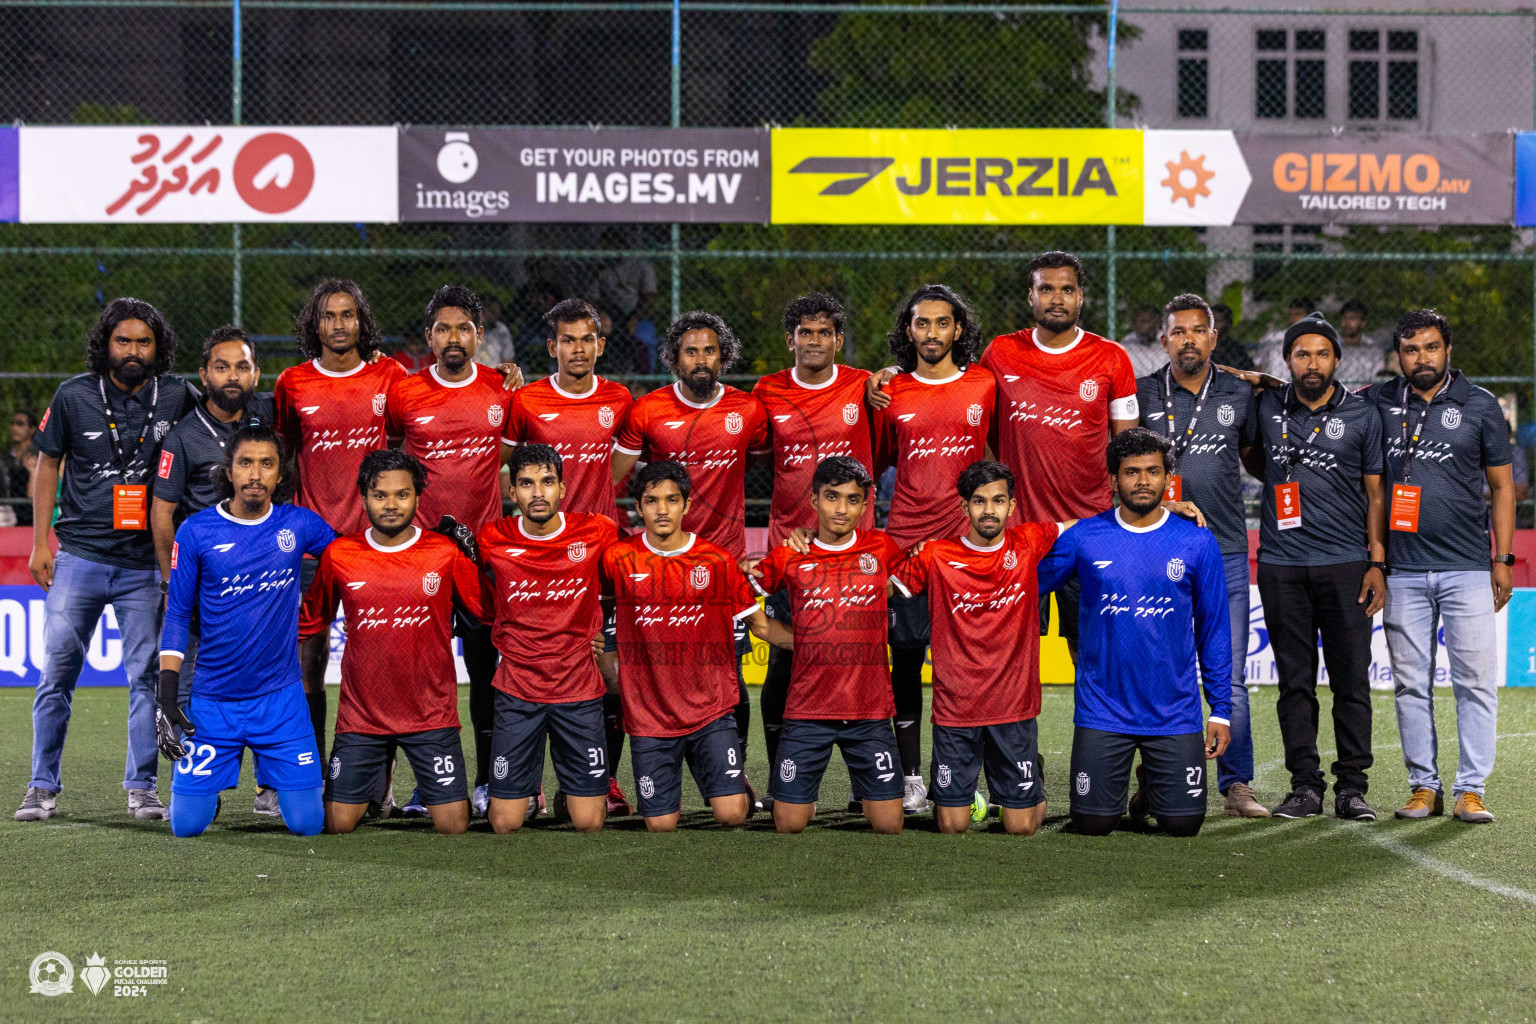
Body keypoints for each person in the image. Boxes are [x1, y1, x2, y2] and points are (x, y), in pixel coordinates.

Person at [16, 298, 198, 823]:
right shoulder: (73, 395)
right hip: (79, 556)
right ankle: (41, 785)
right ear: (107, 345)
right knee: (56, 676)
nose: (134, 350)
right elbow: (48, 464)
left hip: (145, 564)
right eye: (124, 341)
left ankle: (141, 787)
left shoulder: (179, 396)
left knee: (146, 677)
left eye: (144, 341)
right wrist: (39, 542)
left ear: (157, 347)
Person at [1037, 428, 1232, 838]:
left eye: (1152, 472)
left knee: (1183, 825)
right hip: (1102, 710)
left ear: (1167, 479)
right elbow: (1026, 581)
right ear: (1112, 480)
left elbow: (1213, 628)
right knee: (1092, 824)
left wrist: (1219, 710)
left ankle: (1150, 787)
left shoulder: (1196, 542)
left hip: (1173, 712)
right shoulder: (1085, 537)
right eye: (1131, 472)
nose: (1143, 481)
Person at [1361, 309, 1516, 824]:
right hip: (1402, 571)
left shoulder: (1481, 406)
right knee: (1410, 684)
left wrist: (1502, 558)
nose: (1420, 358)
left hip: (1469, 568)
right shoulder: (1381, 401)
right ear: (1398, 355)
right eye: (1410, 350)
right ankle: (1423, 786)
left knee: (1475, 682)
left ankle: (1470, 789)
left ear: (1448, 350)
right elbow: (1322, 400)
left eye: (1430, 347)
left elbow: (1502, 488)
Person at [611, 310, 770, 794]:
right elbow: (612, 478)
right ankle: (610, 783)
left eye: (709, 351)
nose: (700, 360)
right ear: (673, 358)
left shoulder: (748, 411)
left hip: (723, 566)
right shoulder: (646, 411)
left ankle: (732, 774)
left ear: (723, 357)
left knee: (730, 675)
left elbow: (773, 468)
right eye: (690, 351)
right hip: (657, 567)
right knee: (638, 671)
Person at [156, 425, 335, 837]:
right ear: (230, 471)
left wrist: (427, 545)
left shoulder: (301, 525)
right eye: (246, 463)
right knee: (187, 826)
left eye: (266, 464)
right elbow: (179, 614)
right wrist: (167, 693)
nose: (255, 474)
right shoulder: (196, 531)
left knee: (308, 824)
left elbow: (356, 557)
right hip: (213, 702)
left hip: (282, 701)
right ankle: (209, 791)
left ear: (280, 474)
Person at [1242, 311, 1387, 821]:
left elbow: (1376, 495)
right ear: (1287, 360)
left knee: (1352, 682)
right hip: (1281, 565)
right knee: (1294, 683)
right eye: (1302, 353)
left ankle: (1352, 787)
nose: (1312, 362)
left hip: (1347, 563)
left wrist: (1376, 562)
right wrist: (1254, 380)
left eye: (1322, 353)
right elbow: (1252, 457)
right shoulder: (1265, 405)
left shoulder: (1363, 414)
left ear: (1337, 360)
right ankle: (1305, 785)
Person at [299, 449, 487, 835]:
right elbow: (310, 624)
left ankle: (391, 785)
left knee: (453, 827)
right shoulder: (339, 554)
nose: (391, 504)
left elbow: (488, 616)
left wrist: (480, 563)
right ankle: (376, 786)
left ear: (418, 497)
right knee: (336, 825)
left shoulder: (444, 553)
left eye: (402, 494)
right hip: (361, 719)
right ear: (363, 497)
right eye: (379, 494)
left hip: (430, 717)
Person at [601, 461, 793, 832]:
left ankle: (726, 779)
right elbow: (597, 610)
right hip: (649, 718)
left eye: (672, 500)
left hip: (710, 713)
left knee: (732, 813)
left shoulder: (717, 561)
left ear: (686, 506)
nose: (661, 509)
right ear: (638, 507)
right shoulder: (618, 558)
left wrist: (821, 641)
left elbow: (762, 625)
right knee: (659, 825)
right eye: (651, 500)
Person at [1136, 294, 1268, 819]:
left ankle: (1236, 785)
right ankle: (1154, 783)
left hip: (1226, 551)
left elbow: (1261, 460)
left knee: (1228, 674)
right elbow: (1120, 465)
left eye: (1198, 331)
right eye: (1178, 331)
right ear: (1163, 339)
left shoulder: (1241, 392)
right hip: (1153, 550)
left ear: (1214, 339)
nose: (1188, 339)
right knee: (1157, 670)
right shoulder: (1143, 393)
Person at [973, 251, 1140, 662]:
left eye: (1067, 289)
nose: (1057, 298)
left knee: (1095, 658)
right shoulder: (1000, 353)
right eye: (1046, 288)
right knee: (1009, 658)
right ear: (1030, 296)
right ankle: (1010, 729)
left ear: (1081, 297)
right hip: (1018, 533)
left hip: (1089, 531)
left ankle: (1100, 730)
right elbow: (975, 424)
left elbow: (1130, 448)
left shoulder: (1111, 358)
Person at [385, 284, 514, 818]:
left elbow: (513, 456)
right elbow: (391, 457)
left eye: (464, 328)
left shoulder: (502, 390)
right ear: (429, 337)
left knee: (487, 673)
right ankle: (429, 784)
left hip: (482, 558)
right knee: (422, 676)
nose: (453, 338)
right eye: (443, 329)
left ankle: (489, 782)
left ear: (479, 336)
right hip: (422, 558)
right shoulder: (406, 393)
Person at [506, 297, 636, 814]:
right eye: (568, 340)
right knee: (530, 670)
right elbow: (504, 473)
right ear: (551, 346)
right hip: (536, 561)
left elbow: (618, 470)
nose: (578, 349)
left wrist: (588, 523)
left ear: (600, 345)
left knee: (610, 675)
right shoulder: (527, 401)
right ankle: (527, 784)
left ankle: (599, 781)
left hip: (597, 560)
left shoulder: (620, 399)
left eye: (587, 339)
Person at [892, 460, 1070, 835]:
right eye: (978, 501)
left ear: (1012, 505)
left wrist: (1162, 510)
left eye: (998, 500)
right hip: (956, 709)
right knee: (951, 826)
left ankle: (1029, 781)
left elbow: (1086, 528)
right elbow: (886, 582)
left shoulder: (1030, 539)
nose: (989, 510)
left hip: (1013, 707)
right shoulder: (936, 554)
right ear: (964, 507)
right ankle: (973, 791)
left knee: (1021, 827)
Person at [870, 284, 995, 812]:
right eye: (922, 324)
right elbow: (871, 465)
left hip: (965, 553)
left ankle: (981, 770)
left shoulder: (985, 385)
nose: (932, 334)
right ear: (908, 331)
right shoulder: (889, 392)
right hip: (904, 552)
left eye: (942, 323)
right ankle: (911, 777)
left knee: (968, 667)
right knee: (904, 667)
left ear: (959, 329)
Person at [274, 279, 406, 771]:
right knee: (307, 661)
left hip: (375, 546)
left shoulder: (389, 375)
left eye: (347, 315)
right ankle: (306, 767)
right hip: (310, 549)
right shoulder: (292, 382)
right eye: (328, 316)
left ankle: (377, 781)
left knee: (378, 665)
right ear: (315, 324)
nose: (338, 325)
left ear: (361, 321)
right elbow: (281, 460)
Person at [750, 292, 875, 794]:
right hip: (793, 550)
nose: (815, 341)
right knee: (786, 658)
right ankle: (784, 772)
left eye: (824, 332)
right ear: (790, 339)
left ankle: (869, 776)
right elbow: (758, 457)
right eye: (806, 332)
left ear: (838, 340)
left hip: (853, 553)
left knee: (859, 657)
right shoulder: (768, 390)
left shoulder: (864, 385)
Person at [747, 457, 908, 836]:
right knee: (788, 825)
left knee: (889, 825)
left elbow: (919, 576)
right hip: (807, 712)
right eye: (832, 497)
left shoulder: (881, 548)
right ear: (813, 499)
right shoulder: (791, 554)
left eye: (853, 500)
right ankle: (802, 797)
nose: (841, 509)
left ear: (865, 506)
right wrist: (794, 638)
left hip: (868, 713)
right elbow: (743, 591)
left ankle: (871, 791)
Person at [477, 444, 621, 835]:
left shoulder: (597, 531)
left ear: (563, 488)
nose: (537, 493)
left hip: (578, 688)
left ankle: (567, 793)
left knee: (589, 823)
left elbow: (633, 576)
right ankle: (530, 788)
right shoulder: (492, 538)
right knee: (504, 824)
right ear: (512, 493)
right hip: (517, 688)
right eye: (526, 484)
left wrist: (609, 638)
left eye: (546, 482)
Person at [150, 326, 273, 771]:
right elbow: (161, 513)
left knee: (268, 681)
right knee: (189, 682)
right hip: (205, 585)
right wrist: (172, 581)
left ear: (256, 373)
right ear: (204, 374)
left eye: (242, 367)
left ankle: (269, 784)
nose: (232, 376)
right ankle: (195, 775)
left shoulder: (269, 417)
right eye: (222, 367)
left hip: (264, 583)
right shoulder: (183, 437)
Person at [1335, 299, 1391, 387]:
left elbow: (1377, 379)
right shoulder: (1332, 346)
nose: (1347, 323)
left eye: (1352, 319)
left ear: (1363, 323)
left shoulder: (1373, 349)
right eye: (1345, 318)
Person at [1257, 297, 1314, 378]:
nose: (1293, 319)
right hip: (1276, 383)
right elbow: (1257, 362)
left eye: (1298, 314)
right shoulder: (1274, 338)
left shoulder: (1318, 340)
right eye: (1291, 315)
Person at [1, 409, 37, 526]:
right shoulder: (4, 458)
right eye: (13, 423)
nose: (15, 428)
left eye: (20, 424)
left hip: (32, 514)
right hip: (8, 513)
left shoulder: (39, 456)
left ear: (32, 429)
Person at [1118, 304, 1165, 376]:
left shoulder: (1169, 343)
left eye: (1147, 321)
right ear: (1134, 325)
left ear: (1156, 324)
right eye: (1141, 321)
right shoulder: (1126, 345)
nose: (1143, 326)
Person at [1209, 304, 1254, 372]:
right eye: (1211, 320)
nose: (1214, 324)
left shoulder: (1236, 350)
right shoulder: (1199, 345)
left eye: (1218, 320)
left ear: (1228, 324)